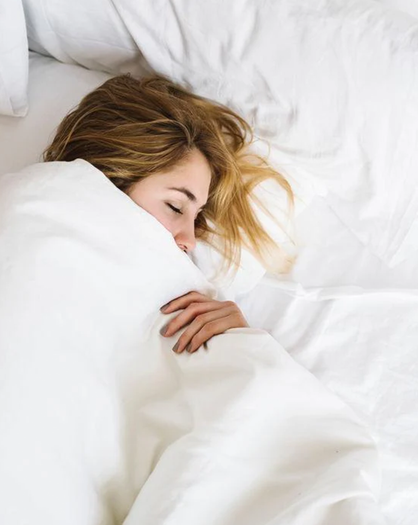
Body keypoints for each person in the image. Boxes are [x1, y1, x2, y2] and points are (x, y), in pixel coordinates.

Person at [43, 74, 294, 353]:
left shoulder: (183, 305)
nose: (190, 241)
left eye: (196, 217)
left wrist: (240, 344)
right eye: (175, 207)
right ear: (110, 177)